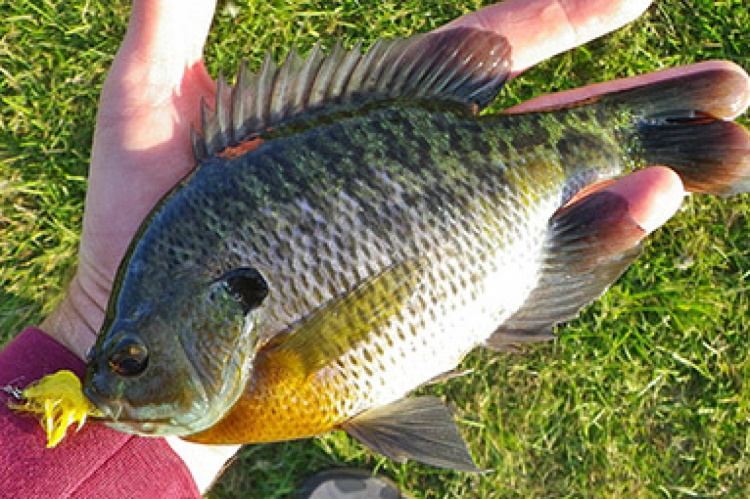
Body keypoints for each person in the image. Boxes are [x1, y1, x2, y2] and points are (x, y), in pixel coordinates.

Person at [0, 0, 694, 496]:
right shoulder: (197, 327)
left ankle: (629, 136)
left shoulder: (231, 339)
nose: (113, 381)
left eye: (131, 358)